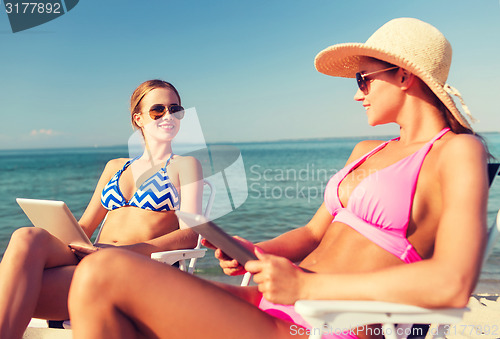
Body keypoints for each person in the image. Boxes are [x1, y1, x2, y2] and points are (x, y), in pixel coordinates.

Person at [67, 18, 489, 339]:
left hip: (326, 325)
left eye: (363, 79)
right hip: (280, 300)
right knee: (99, 276)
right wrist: (253, 249)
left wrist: (305, 285)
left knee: (103, 274)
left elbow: (451, 283)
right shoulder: (367, 151)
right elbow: (310, 233)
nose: (357, 93)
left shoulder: (458, 151)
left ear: (402, 74)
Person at [0, 79, 203, 339]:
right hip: (92, 258)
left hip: (134, 269)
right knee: (27, 237)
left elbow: (191, 234)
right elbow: (85, 226)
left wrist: (121, 252)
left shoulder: (185, 165)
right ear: (139, 119)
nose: (168, 116)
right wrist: (72, 240)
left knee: (18, 288)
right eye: (158, 110)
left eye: (175, 109)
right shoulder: (115, 167)